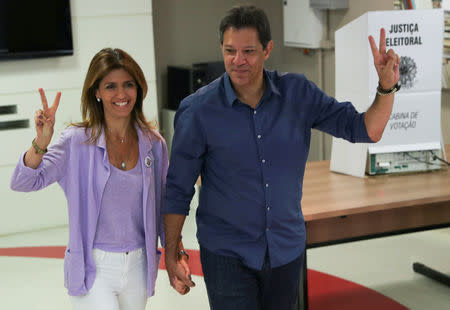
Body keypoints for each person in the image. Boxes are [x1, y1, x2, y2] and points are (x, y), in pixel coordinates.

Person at [163, 4, 400, 310]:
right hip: (227, 254)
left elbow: (366, 129)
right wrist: (172, 250)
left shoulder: (298, 94)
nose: (238, 61)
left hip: (285, 249)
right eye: (229, 50)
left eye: (248, 51)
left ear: (267, 49)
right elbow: (178, 188)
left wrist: (386, 87)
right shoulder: (198, 111)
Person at [10, 48, 190, 309]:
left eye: (128, 84)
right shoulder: (76, 141)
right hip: (93, 268)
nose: (121, 94)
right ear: (96, 92)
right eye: (110, 86)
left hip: (139, 266)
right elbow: (23, 181)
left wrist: (177, 254)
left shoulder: (154, 143)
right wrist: (41, 142)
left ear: (138, 88)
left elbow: (164, 206)